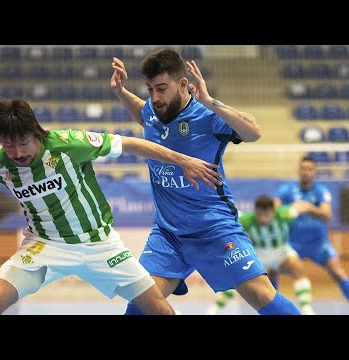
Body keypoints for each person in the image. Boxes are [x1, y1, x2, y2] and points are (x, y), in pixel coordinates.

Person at [0, 98, 224, 315]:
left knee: (159, 309)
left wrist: (183, 161)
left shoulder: (69, 144)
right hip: (46, 245)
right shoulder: (0, 167)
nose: (17, 152)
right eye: (8, 144)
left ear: (36, 132)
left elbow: (130, 144)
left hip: (100, 244)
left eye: (23, 142)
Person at [110, 47, 301, 315]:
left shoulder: (207, 117)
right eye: (150, 89)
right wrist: (121, 92)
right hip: (168, 234)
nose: (155, 97)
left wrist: (211, 102)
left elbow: (254, 132)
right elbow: (145, 115)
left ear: (183, 84)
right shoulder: (154, 111)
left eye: (162, 88)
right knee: (140, 306)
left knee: (261, 294)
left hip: (214, 229)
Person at [206, 194, 316, 315]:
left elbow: (301, 206)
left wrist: (311, 208)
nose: (263, 218)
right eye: (259, 214)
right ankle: (214, 310)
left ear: (273, 211)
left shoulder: (285, 214)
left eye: (266, 214)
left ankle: (307, 310)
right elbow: (227, 217)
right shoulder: (247, 219)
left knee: (298, 268)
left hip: (280, 252)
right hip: (259, 254)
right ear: (255, 211)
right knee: (238, 279)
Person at [274, 155, 349, 302]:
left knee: (338, 273)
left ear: (314, 172)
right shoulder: (287, 189)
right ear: (298, 170)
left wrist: (308, 208)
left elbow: (327, 215)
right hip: (292, 243)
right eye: (303, 168)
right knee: (271, 271)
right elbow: (275, 209)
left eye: (309, 169)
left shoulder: (321, 190)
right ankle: (270, 307)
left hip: (319, 243)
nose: (305, 172)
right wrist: (291, 208)